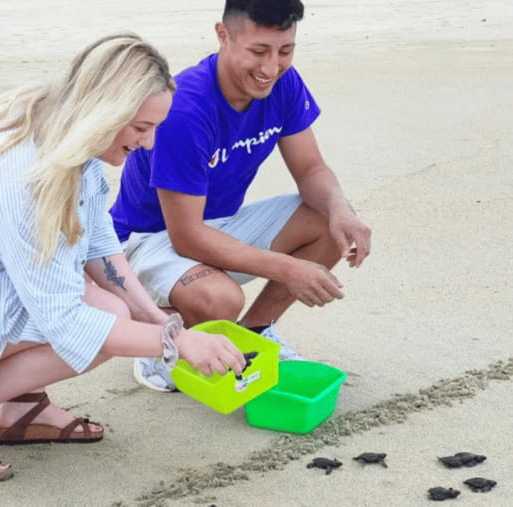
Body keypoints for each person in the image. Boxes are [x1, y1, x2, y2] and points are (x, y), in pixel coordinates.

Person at [0, 34, 246, 483]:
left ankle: (22, 407)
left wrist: (162, 323)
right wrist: (176, 345)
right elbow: (65, 320)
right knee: (102, 316)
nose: (148, 144)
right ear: (105, 112)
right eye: (139, 128)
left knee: (106, 303)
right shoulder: (21, 177)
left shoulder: (59, 126)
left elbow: (98, 246)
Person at [109, 0, 372, 392]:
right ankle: (162, 345)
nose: (271, 68)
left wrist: (340, 208)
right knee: (220, 299)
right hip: (146, 241)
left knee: (327, 221)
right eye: (258, 51)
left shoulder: (283, 82)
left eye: (285, 51)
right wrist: (287, 268)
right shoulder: (186, 108)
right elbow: (187, 237)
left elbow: (312, 170)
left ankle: (255, 335)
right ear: (223, 35)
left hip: (216, 223)